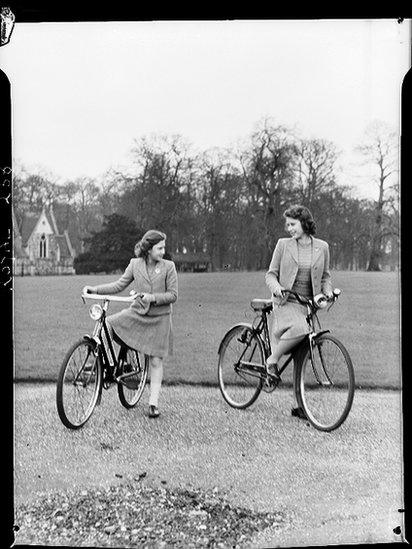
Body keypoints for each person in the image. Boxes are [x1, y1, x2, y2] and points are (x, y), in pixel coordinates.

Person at [83, 230, 178, 419]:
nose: (163, 251)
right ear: (148, 250)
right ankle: (110, 367)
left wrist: (152, 297)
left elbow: (173, 295)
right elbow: (119, 285)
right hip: (137, 313)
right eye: (159, 248)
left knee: (156, 360)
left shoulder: (169, 266)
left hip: (160, 318)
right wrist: (95, 289)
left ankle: (153, 403)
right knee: (107, 325)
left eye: (163, 248)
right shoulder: (135, 264)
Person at [265, 205, 333, 419]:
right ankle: (272, 360)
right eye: (288, 224)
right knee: (301, 330)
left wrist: (328, 292)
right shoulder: (283, 245)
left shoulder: (322, 247)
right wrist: (278, 289)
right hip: (286, 303)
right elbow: (270, 275)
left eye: (292, 224)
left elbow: (325, 277)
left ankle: (299, 405)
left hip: (307, 306)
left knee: (302, 354)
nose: (289, 228)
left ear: (304, 222)